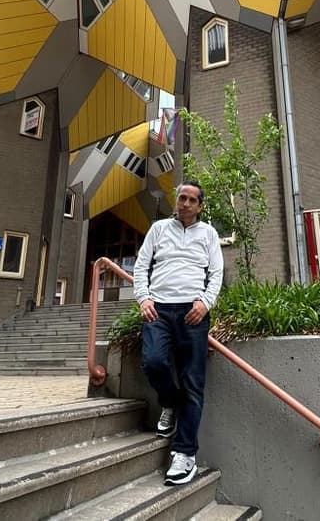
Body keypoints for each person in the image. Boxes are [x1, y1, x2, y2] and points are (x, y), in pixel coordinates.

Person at [133, 181, 224, 486]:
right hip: (158, 309)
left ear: (200, 206)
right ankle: (170, 402)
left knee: (193, 384)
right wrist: (144, 299)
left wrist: (205, 303)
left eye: (191, 200)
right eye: (181, 198)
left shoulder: (208, 234)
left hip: (192, 312)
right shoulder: (159, 229)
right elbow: (141, 266)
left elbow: (216, 272)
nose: (184, 203)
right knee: (154, 362)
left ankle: (185, 454)